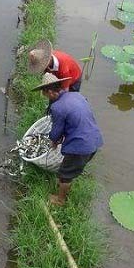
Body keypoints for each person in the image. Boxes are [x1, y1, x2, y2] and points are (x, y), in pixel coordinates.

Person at [33, 73, 103, 206]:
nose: (46, 98)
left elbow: (56, 133)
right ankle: (65, 187)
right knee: (71, 168)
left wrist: (53, 141)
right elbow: (78, 118)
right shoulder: (77, 95)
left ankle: (60, 200)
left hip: (80, 146)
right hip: (95, 140)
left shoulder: (57, 107)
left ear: (50, 92)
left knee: (65, 174)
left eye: (45, 95)